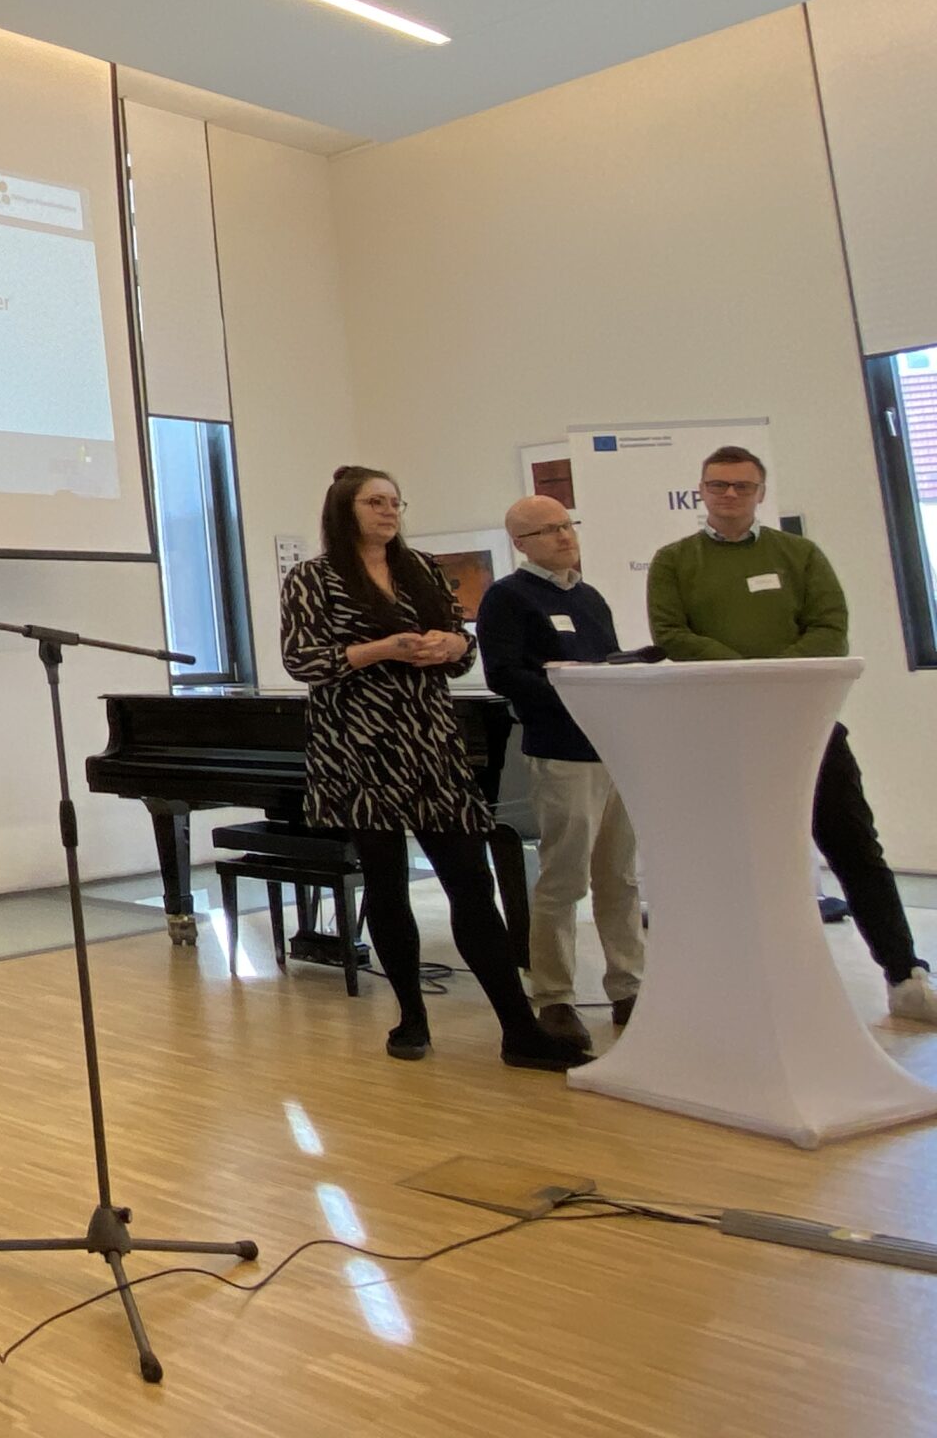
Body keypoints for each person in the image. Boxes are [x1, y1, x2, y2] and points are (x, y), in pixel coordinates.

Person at [280, 466, 591, 1069]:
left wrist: (454, 646)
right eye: (375, 502)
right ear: (345, 510)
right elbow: (302, 661)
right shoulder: (312, 577)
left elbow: (461, 649)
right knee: (387, 887)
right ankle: (411, 1018)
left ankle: (519, 1030)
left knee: (471, 884)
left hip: (429, 741)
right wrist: (384, 649)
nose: (389, 511)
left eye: (395, 502)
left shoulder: (421, 567)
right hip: (359, 747)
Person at [647, 445, 937, 1022]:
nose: (730, 494)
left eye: (743, 485)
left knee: (856, 848)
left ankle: (905, 976)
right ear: (701, 491)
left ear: (760, 492)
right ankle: (738, 989)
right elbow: (671, 633)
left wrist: (775, 680)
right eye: (718, 484)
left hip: (808, 726)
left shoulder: (799, 554)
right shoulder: (674, 561)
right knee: (732, 861)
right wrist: (750, 676)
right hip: (723, 733)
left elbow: (830, 627)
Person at [476, 497, 644, 1049]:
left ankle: (628, 986)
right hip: (561, 751)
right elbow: (503, 674)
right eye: (547, 530)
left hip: (612, 748)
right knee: (564, 878)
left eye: (567, 525)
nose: (564, 536)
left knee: (619, 877)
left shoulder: (589, 597)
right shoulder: (507, 596)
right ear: (520, 543)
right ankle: (554, 996)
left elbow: (608, 663)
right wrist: (566, 685)